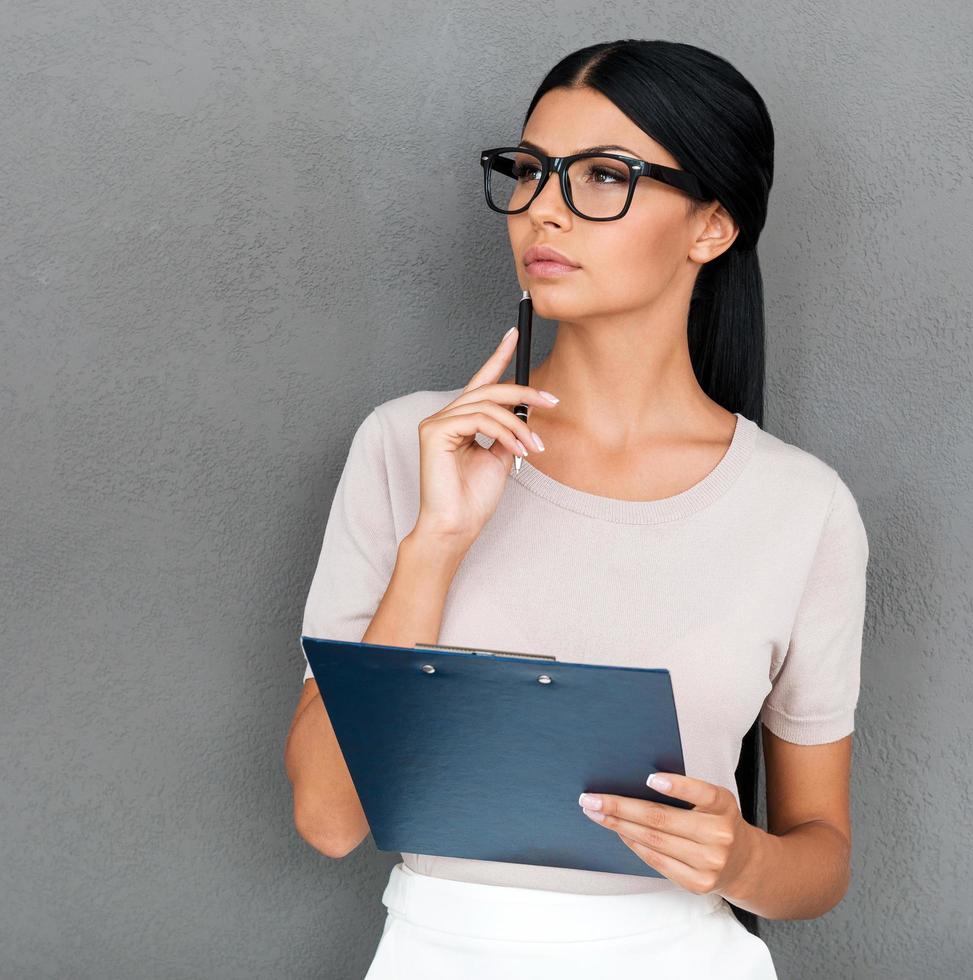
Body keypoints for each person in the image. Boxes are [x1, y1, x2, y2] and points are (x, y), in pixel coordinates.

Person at [283, 38, 870, 979]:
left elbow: (820, 855)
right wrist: (436, 543)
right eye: (529, 170)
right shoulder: (409, 446)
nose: (544, 208)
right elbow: (327, 819)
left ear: (710, 225)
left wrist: (743, 857)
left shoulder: (802, 509)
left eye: (604, 175)